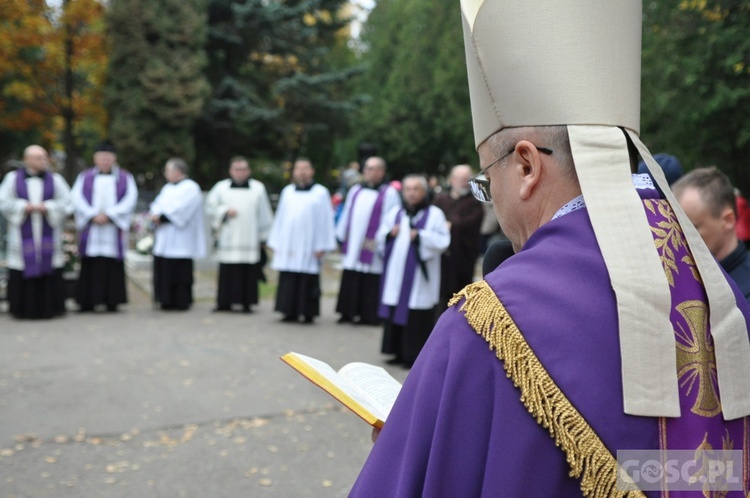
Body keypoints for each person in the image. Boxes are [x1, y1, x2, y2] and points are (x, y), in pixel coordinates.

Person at [350, 1, 750, 495]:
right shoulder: (722, 294)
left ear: (525, 166)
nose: (488, 195)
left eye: (486, 179)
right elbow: (698, 473)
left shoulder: (494, 319)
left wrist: (415, 448)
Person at [377, 175, 450, 367]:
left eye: (416, 189)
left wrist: (421, 237)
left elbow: (443, 241)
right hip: (397, 274)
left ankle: (413, 356)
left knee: (416, 316)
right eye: (408, 189)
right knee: (396, 309)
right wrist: (388, 234)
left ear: (424, 192)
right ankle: (396, 352)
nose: (411, 193)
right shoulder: (396, 212)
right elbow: (380, 236)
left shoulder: (435, 214)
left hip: (419, 279)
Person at [0, 145, 72, 319]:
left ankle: (50, 308)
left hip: (48, 231)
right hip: (22, 233)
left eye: (44, 157)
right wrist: (24, 207)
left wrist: (47, 207)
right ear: (27, 160)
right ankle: (22, 309)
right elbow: (3, 201)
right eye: (39, 158)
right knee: (23, 266)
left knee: (49, 266)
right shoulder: (12, 179)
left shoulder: (55, 180)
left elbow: (68, 202)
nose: (43, 161)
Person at [71, 141, 138, 312]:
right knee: (90, 262)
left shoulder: (125, 177)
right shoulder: (85, 177)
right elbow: (76, 198)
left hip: (112, 227)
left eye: (108, 158)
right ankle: (87, 301)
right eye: (101, 158)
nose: (105, 161)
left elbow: (130, 200)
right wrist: (92, 214)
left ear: (114, 159)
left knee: (111, 263)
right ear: (95, 159)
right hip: (92, 227)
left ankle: (112, 300)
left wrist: (110, 214)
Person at [267, 158, 336, 323]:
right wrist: (276, 241)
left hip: (310, 244)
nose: (302, 172)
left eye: (305, 168)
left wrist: (322, 245)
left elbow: (326, 220)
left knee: (307, 277)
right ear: (294, 172)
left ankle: (307, 312)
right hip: (289, 243)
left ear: (312, 171)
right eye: (298, 168)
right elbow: (280, 218)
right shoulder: (288, 191)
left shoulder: (320, 192)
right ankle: (288, 310)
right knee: (289, 276)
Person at [334, 156, 401, 325]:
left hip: (373, 244)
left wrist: (384, 236)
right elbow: (347, 212)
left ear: (381, 172)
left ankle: (368, 315)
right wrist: (341, 235)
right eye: (367, 169)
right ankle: (347, 312)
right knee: (351, 274)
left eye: (373, 169)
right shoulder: (355, 189)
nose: (369, 172)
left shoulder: (389, 192)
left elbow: (392, 217)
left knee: (370, 278)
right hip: (354, 241)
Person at [205, 156, 273, 313]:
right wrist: (224, 211)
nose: (240, 172)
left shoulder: (258, 188)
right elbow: (209, 206)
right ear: (231, 171)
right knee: (227, 271)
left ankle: (247, 303)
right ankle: (224, 302)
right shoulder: (221, 188)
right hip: (229, 237)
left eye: (243, 169)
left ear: (248, 171)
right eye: (237, 169)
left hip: (249, 238)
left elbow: (264, 214)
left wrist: (263, 237)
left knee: (248, 272)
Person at [673, 167, 750, 303]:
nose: (679, 239)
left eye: (691, 229)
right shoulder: (684, 280)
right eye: (675, 229)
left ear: (727, 220)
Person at [148, 158, 206, 311]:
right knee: (164, 269)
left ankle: (181, 301)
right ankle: (164, 299)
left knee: (180, 271)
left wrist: (162, 217)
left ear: (178, 171)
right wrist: (155, 214)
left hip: (181, 238)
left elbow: (183, 209)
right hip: (165, 237)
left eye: (168, 170)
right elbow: (156, 204)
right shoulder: (167, 188)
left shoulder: (191, 188)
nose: (166, 173)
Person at [432, 164, 484, 309]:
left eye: (466, 179)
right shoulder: (441, 200)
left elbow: (472, 223)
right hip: (442, 257)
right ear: (452, 179)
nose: (462, 182)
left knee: (460, 296)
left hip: (463, 256)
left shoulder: (474, 203)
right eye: (459, 178)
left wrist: (452, 225)